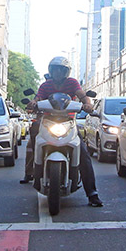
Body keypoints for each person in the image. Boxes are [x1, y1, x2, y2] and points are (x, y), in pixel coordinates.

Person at [22, 56, 103, 207]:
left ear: (66, 72)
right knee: (34, 132)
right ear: (51, 71)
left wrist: (87, 105)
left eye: (61, 70)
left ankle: (92, 193)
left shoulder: (72, 83)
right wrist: (33, 103)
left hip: (69, 122)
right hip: (48, 121)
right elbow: (38, 98)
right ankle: (32, 170)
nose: (58, 72)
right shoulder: (46, 85)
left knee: (84, 154)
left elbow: (83, 96)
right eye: (55, 69)